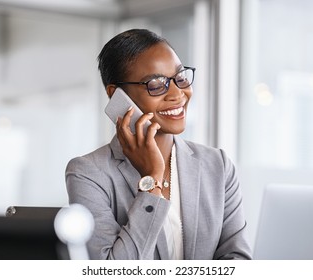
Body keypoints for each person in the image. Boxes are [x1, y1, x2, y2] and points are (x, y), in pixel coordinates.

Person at [65, 28, 252, 260]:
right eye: (156, 83)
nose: (177, 94)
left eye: (180, 78)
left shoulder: (217, 165)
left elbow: (237, 260)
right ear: (116, 95)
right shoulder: (88, 173)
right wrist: (151, 180)